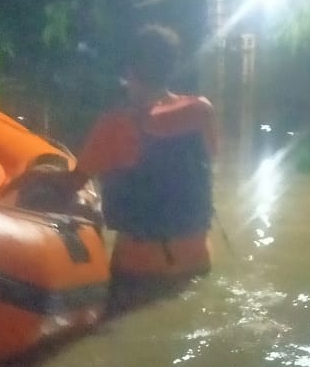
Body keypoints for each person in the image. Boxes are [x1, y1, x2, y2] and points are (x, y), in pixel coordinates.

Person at [68, 24, 216, 309]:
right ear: (172, 67)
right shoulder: (202, 111)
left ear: (129, 71)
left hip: (140, 278)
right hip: (198, 268)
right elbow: (209, 160)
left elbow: (71, 185)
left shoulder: (113, 126)